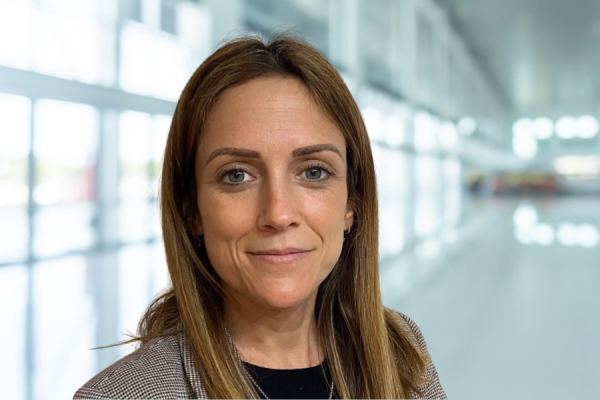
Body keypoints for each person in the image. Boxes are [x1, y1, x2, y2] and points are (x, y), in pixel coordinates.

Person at [74, 32, 446, 399]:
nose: (279, 214)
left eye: (313, 172)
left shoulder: (399, 352)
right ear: (192, 210)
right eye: (237, 175)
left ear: (352, 203)